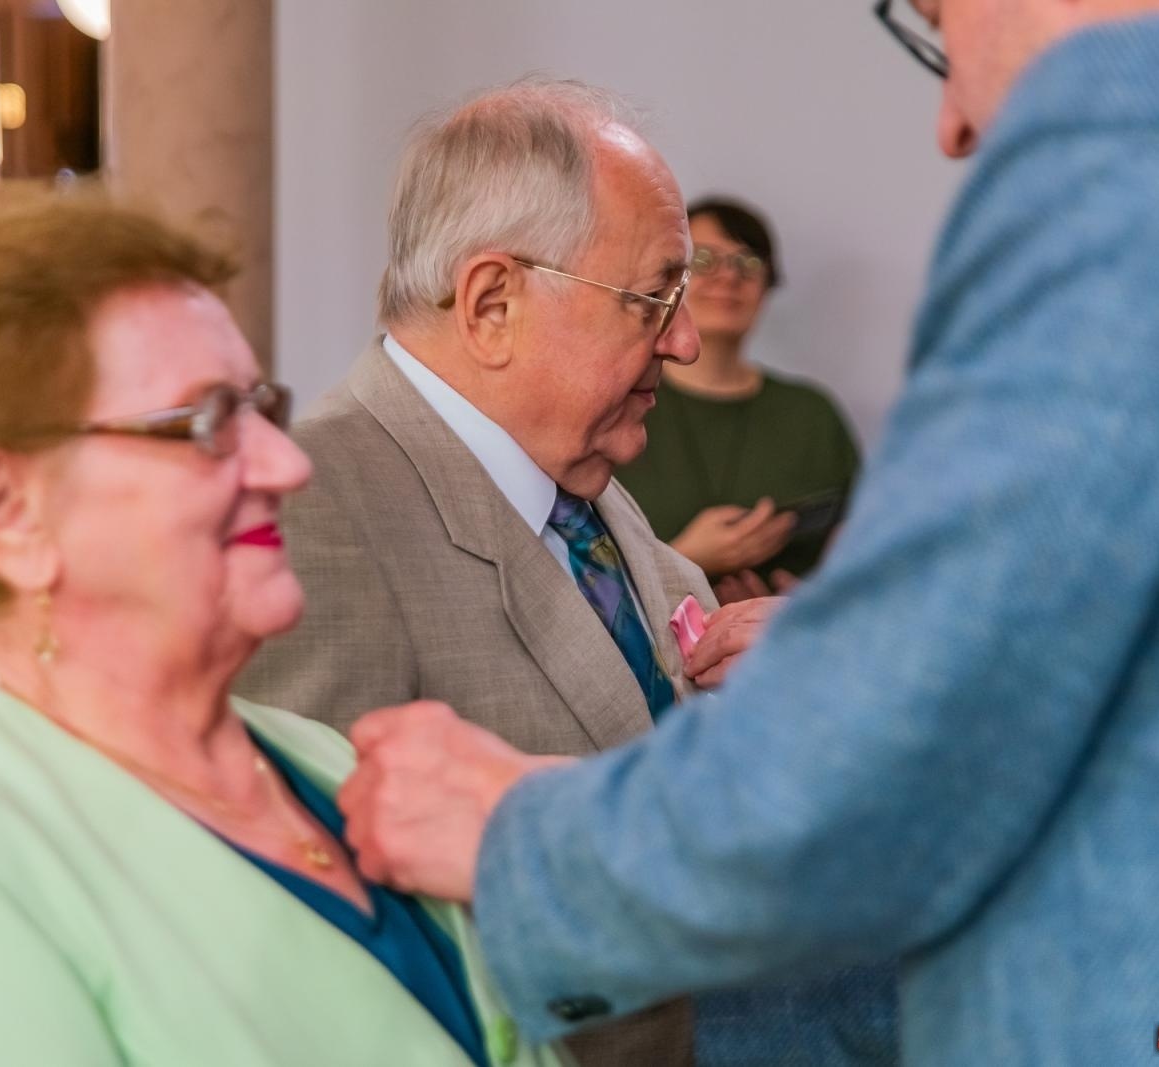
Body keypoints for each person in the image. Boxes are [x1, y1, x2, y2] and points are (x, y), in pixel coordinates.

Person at [334, 0, 1159, 1061]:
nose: (952, 121)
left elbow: (897, 754)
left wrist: (509, 839)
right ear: (489, 304)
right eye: (650, 295)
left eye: (938, 25)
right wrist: (851, 663)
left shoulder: (1142, 121)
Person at [0, 187, 570, 1067]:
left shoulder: (325, 762)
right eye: (209, 422)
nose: (289, 462)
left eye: (263, 408)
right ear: (5, 510)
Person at [235, 77, 713, 1067]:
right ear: (492, 302)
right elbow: (334, 927)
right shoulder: (317, 509)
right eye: (653, 296)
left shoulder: (576, 476)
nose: (686, 340)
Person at [618, 199, 861, 603]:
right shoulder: (621, 404)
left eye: (747, 264)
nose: (729, 276)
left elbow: (864, 558)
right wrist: (689, 558)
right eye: (706, 260)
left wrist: (803, 605)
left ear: (768, 286)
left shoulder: (813, 415)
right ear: (668, 281)